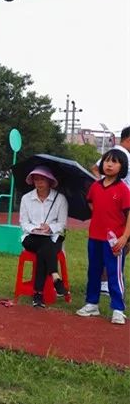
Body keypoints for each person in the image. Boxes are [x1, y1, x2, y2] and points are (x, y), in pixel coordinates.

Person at [77, 148, 130, 324]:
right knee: (94, 271)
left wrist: (124, 238)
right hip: (95, 238)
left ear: (122, 167)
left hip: (114, 241)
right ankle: (92, 303)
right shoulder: (95, 186)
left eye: (114, 162)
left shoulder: (123, 189)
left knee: (115, 274)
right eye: (106, 161)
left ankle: (118, 309)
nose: (109, 164)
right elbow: (92, 203)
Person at [19, 166, 69, 308]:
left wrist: (50, 228)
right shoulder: (26, 198)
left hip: (53, 237)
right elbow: (23, 223)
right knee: (44, 246)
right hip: (31, 237)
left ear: (49, 181)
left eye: (42, 179)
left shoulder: (60, 199)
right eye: (36, 179)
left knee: (44, 250)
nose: (38, 182)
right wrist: (35, 228)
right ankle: (55, 275)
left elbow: (62, 224)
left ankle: (38, 295)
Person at [90, 126, 130, 295]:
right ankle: (107, 281)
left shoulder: (118, 153)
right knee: (118, 246)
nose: (110, 164)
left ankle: (107, 279)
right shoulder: (120, 154)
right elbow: (95, 168)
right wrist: (105, 189)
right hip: (121, 207)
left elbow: (94, 168)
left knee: (119, 245)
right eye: (109, 162)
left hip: (121, 203)